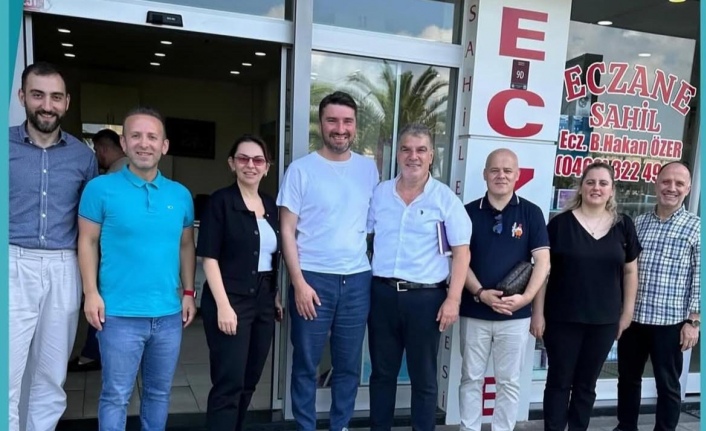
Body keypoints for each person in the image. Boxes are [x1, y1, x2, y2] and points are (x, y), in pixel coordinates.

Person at [77, 107, 197, 430]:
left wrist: (189, 292)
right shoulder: (100, 189)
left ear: (164, 145)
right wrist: (90, 293)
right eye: (136, 136)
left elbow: (186, 245)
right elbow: (87, 241)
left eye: (152, 137)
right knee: (115, 395)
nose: (144, 143)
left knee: (159, 394)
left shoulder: (180, 195)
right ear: (124, 143)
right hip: (118, 315)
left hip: (168, 316)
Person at [277, 91, 379, 431]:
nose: (340, 128)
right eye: (332, 120)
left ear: (355, 126)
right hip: (312, 279)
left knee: (348, 365)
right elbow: (287, 230)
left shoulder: (368, 169)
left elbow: (373, 225)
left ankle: (341, 425)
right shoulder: (301, 170)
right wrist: (298, 284)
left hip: (357, 280)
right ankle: (305, 426)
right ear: (321, 124)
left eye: (347, 121)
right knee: (306, 363)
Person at [9, 61, 99, 431]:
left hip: (64, 265)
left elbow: (91, 226)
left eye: (56, 97)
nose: (47, 105)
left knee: (50, 373)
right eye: (38, 95)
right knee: (7, 371)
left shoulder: (83, 157)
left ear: (66, 103)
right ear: (22, 97)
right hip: (12, 262)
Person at [367, 123, 471, 431]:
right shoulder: (381, 194)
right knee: (381, 374)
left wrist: (453, 299)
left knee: (424, 378)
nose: (413, 156)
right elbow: (364, 235)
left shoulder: (445, 199)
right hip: (383, 295)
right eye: (406, 149)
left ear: (431, 156)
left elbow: (462, 253)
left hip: (426, 300)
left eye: (421, 150)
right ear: (398, 154)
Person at [538, 162, 641, 431]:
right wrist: (537, 313)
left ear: (612, 190)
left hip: (604, 321)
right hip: (562, 319)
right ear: (581, 187)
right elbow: (542, 273)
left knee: (586, 384)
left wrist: (627, 313)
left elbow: (630, 271)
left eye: (603, 183)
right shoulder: (559, 225)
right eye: (590, 182)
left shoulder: (623, 225)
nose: (596, 188)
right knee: (559, 381)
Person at [458, 148, 551, 431]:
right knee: (470, 378)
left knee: (508, 382)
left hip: (515, 315)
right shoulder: (467, 212)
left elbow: (543, 262)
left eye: (507, 170)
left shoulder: (531, 213)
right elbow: (459, 260)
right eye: (495, 170)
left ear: (517, 175)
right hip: (475, 311)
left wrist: (526, 299)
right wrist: (479, 293)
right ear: (485, 174)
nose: (501, 176)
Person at [196, 134, 284, 430]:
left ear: (267, 167)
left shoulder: (270, 205)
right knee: (229, 382)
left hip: (263, 301)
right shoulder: (220, 202)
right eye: (243, 159)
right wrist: (223, 306)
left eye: (258, 160)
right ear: (232, 164)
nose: (251, 165)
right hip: (229, 299)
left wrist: (274, 296)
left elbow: (269, 256)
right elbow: (209, 257)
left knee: (249, 380)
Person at [615, 161, 700, 431]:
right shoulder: (638, 224)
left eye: (679, 183)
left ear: (688, 189)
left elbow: (700, 279)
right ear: (656, 184)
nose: (671, 188)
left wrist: (694, 322)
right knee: (628, 379)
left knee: (668, 385)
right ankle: (626, 426)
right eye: (666, 181)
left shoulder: (697, 228)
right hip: (634, 319)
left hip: (671, 323)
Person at [69, 128, 127, 373]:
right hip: (123, 257)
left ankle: (94, 354)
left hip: (110, 255)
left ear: (103, 148)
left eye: (96, 150)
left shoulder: (110, 179)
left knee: (100, 303)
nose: (96, 155)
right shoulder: (133, 172)